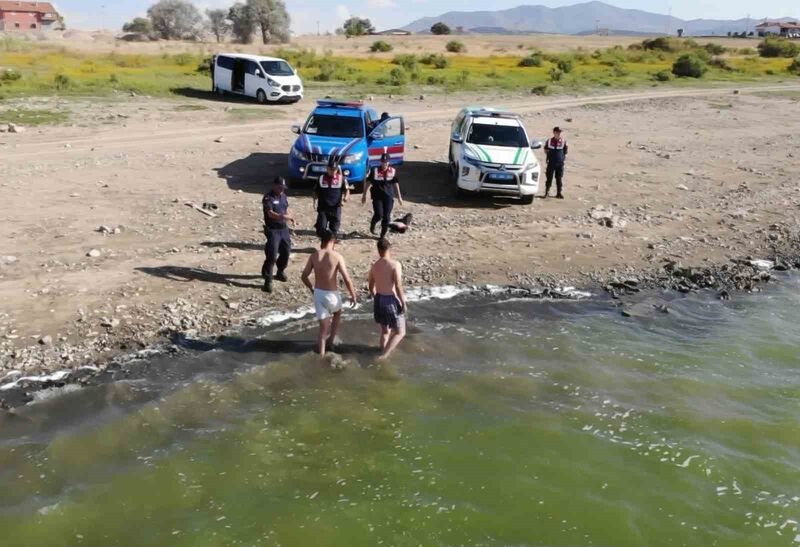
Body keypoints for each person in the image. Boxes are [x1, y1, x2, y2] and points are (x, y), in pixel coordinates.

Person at [301, 230, 358, 357]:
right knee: (337, 313)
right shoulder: (337, 256)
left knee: (322, 330)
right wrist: (353, 295)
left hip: (318, 294)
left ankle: (320, 357)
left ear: (323, 241)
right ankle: (331, 341)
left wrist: (311, 288)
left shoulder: (314, 256)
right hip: (332, 294)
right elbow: (347, 279)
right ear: (332, 242)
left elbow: (304, 276)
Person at [368, 238, 407, 361]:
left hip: (379, 299)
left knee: (385, 332)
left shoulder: (374, 266)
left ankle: (382, 350)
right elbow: (398, 285)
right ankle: (384, 356)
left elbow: (370, 285)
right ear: (389, 249)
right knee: (400, 332)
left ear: (378, 250)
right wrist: (403, 303)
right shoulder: (395, 265)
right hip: (390, 300)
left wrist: (375, 295)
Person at [261, 176, 295, 293]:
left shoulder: (283, 196)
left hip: (284, 229)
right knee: (272, 254)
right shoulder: (268, 198)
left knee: (286, 251)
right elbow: (270, 213)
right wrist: (282, 216)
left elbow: (287, 208)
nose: (282, 190)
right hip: (273, 230)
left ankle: (280, 271)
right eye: (280, 187)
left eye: (283, 188)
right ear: (274, 186)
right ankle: (268, 279)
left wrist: (290, 216)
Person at [362, 152, 403, 238]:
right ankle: (373, 224)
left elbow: (396, 184)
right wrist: (364, 195)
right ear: (381, 162)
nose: (384, 164)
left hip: (388, 197)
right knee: (379, 214)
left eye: (386, 162)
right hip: (377, 197)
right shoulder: (375, 170)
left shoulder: (393, 171)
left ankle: (382, 235)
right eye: (383, 162)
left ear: (389, 162)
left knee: (386, 217)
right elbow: (368, 183)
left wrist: (399, 197)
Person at [314, 156, 349, 238]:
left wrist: (345, 199)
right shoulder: (321, 178)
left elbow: (347, 190)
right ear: (327, 168)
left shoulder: (341, 179)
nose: (333, 171)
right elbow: (315, 191)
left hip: (335, 207)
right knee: (321, 229)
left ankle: (330, 247)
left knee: (334, 230)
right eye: (331, 169)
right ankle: (323, 245)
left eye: (335, 169)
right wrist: (314, 201)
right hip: (323, 207)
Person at [543, 126, 569, 199]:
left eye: (560, 132)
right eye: (557, 132)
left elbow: (565, 151)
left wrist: (563, 159)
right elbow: (545, 149)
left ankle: (559, 193)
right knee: (549, 178)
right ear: (554, 132)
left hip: (560, 163)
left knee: (559, 178)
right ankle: (547, 192)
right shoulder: (549, 141)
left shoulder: (563, 141)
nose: (559, 133)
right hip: (551, 162)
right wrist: (548, 156)